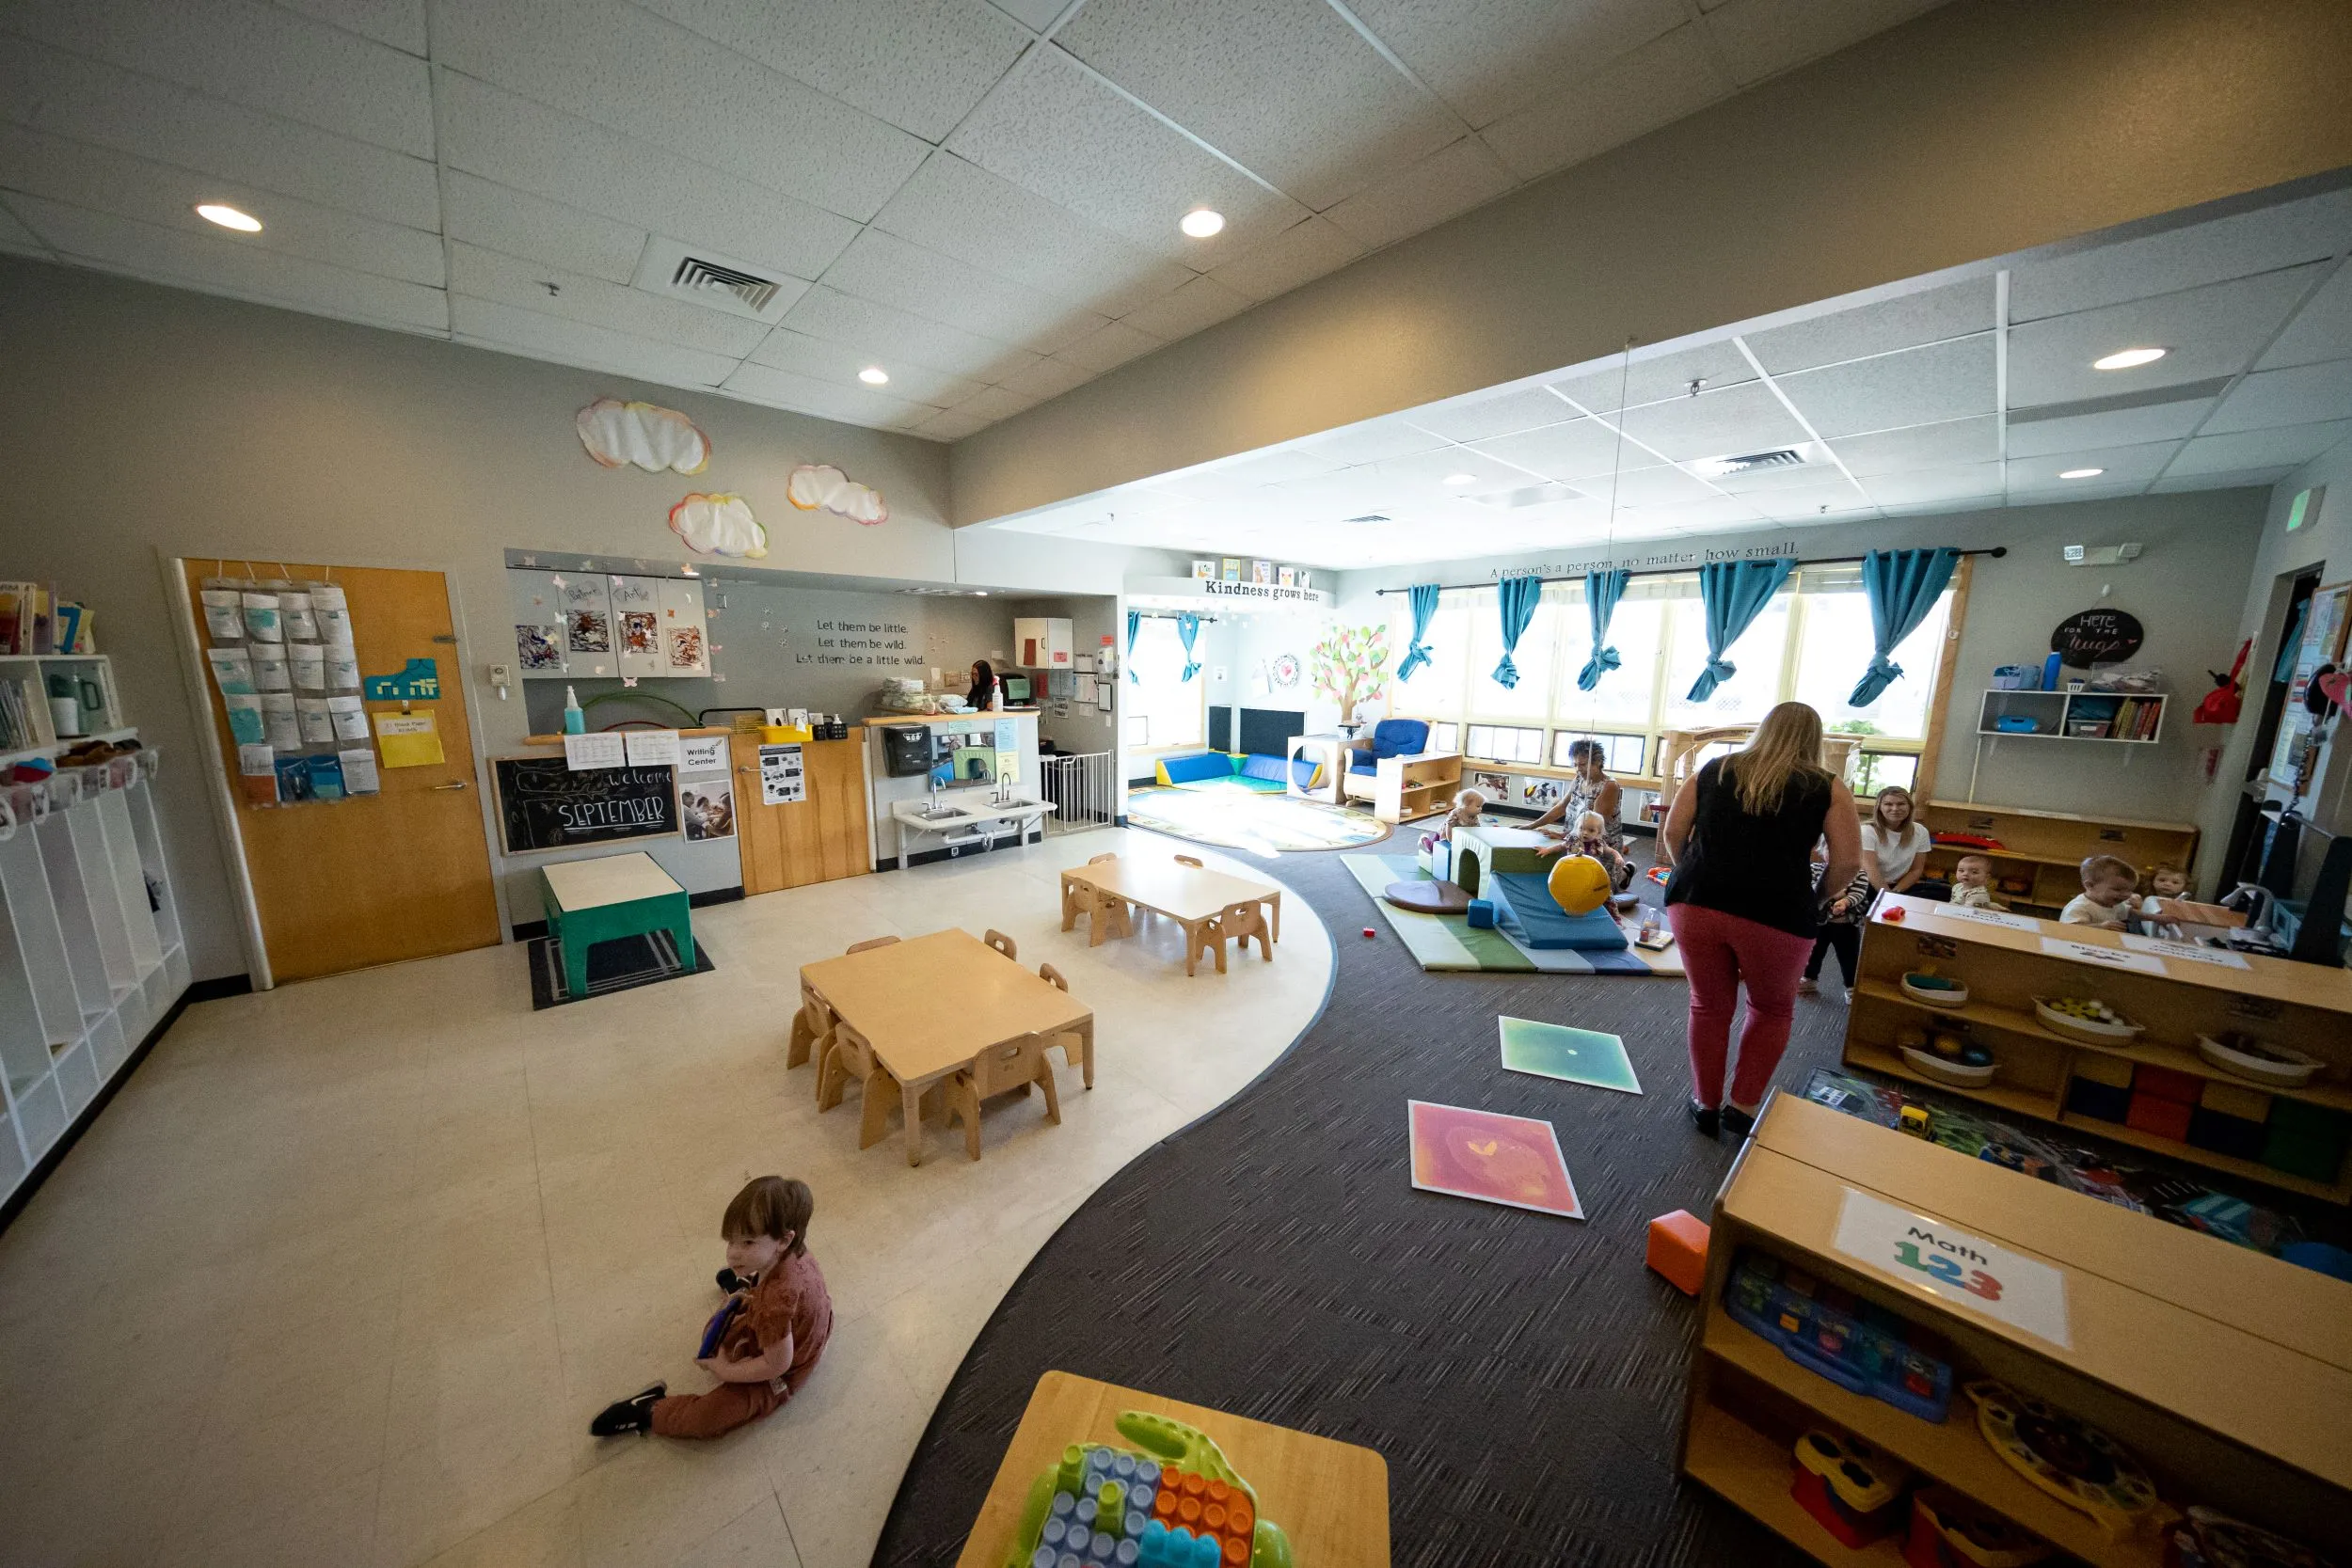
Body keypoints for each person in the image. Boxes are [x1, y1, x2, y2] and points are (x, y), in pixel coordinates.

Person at [1661, 702, 1862, 1138]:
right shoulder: (1827, 786)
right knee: (1771, 1010)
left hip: (1696, 902)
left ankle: (1706, 1103)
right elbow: (1848, 862)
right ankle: (1743, 1105)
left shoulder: (1713, 769)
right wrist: (1818, 897)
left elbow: (1673, 833)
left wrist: (1692, 871)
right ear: (1815, 739)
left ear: (1763, 730)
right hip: (1778, 911)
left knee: (1708, 1005)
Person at [590, 1176, 833, 1439]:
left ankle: (648, 1410)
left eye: (748, 1242)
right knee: (725, 1326)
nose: (732, 1254)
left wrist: (725, 1370)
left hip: (786, 1375)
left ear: (784, 1240)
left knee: (707, 1418)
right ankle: (743, 1285)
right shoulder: (798, 1252)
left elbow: (777, 1365)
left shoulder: (775, 1303)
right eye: (731, 1241)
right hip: (813, 1329)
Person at [1534, 739, 1625, 862]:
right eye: (1575, 765)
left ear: (1598, 762)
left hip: (1599, 847)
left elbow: (1593, 824)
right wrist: (1531, 825)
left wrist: (1563, 836)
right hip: (1576, 837)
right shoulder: (1578, 779)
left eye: (1582, 765)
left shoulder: (1609, 786)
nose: (1578, 769)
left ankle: (1626, 872)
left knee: (1597, 879)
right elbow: (1561, 808)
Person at [1800, 854, 1873, 999]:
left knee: (1849, 957)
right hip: (1820, 924)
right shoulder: (1815, 868)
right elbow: (1811, 890)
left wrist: (1846, 901)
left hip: (1845, 926)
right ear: (1822, 850)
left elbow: (1859, 892)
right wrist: (1836, 894)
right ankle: (1809, 978)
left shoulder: (1859, 873)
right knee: (1813, 953)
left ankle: (1851, 986)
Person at [1862, 785, 1931, 896]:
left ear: (1910, 807)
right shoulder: (1867, 831)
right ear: (1879, 807)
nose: (1895, 809)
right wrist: (1887, 896)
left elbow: (1916, 870)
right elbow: (1871, 871)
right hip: (1868, 884)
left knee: (1943, 892)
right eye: (1888, 804)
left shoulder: (1921, 831)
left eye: (1901, 804)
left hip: (1900, 886)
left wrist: (1895, 893)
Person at [2061, 854, 2137, 928]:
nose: (2126, 895)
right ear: (2090, 885)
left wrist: (2148, 916)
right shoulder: (2079, 907)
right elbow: (2070, 928)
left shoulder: (2112, 902)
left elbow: (2128, 911)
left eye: (2129, 890)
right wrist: (2101, 926)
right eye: (2117, 889)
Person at [1567, 810, 1631, 892]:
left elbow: (1612, 851)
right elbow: (1560, 846)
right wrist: (1547, 850)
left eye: (1591, 830)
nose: (1585, 833)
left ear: (1598, 833)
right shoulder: (1572, 840)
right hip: (1574, 870)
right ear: (1576, 828)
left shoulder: (1597, 843)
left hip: (1592, 872)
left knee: (1599, 890)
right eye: (1582, 828)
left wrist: (1618, 857)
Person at [2137, 863, 2190, 938]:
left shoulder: (2184, 906)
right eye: (2162, 880)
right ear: (2153, 881)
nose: (2167, 884)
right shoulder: (2144, 900)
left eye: (2175, 882)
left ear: (2184, 887)